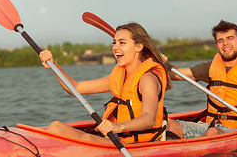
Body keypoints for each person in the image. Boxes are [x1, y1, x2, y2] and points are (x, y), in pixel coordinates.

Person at [39, 22, 172, 144]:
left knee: (87, 139)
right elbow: (75, 88)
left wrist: (118, 126)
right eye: (114, 42)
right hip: (118, 138)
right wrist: (55, 66)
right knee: (56, 127)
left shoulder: (147, 79)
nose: (115, 48)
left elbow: (149, 119)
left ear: (138, 47)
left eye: (122, 43)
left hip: (139, 144)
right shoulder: (119, 77)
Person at [166, 20, 237, 139]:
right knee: (167, 124)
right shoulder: (210, 68)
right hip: (208, 127)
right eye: (220, 41)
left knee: (212, 132)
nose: (225, 44)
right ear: (217, 46)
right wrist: (161, 63)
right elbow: (175, 74)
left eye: (230, 38)